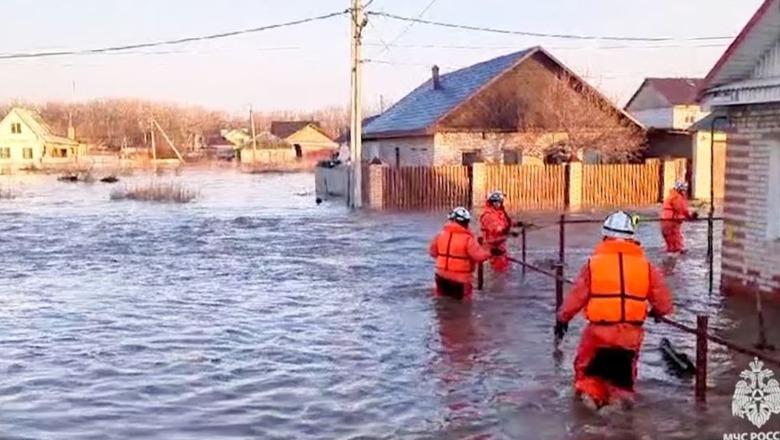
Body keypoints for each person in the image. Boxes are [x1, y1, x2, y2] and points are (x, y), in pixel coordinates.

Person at [554, 210, 673, 410]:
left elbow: (576, 298)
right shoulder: (647, 267)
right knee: (623, 382)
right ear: (632, 238)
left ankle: (589, 418)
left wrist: (562, 319)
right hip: (630, 335)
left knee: (587, 378)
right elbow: (664, 304)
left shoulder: (593, 265)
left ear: (605, 236)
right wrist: (656, 313)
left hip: (598, 333)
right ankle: (619, 417)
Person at [429, 206, 493, 300]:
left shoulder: (440, 236)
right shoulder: (468, 239)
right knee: (463, 308)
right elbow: (479, 257)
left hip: (441, 276)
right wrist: (490, 252)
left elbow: (432, 253)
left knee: (442, 305)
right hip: (461, 279)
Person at [479, 191, 522, 273]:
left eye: (499, 202)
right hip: (492, 246)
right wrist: (508, 232)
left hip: (500, 244)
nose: (498, 204)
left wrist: (517, 224)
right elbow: (495, 228)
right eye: (495, 202)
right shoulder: (487, 215)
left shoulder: (499, 213)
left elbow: (504, 222)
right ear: (491, 202)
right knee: (499, 270)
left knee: (505, 267)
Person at [660, 181, 698, 254]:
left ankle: (670, 256)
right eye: (684, 189)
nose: (685, 191)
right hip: (672, 221)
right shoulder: (677, 197)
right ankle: (675, 255)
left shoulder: (671, 196)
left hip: (665, 220)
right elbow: (682, 209)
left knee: (669, 240)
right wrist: (691, 216)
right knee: (675, 241)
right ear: (681, 189)